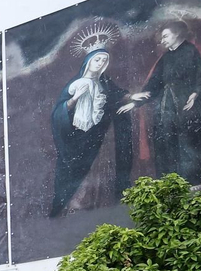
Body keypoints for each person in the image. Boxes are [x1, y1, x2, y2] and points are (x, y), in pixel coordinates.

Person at [128, 20, 201, 181]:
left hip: (188, 105)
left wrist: (195, 94)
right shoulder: (166, 58)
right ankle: (170, 182)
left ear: (177, 34)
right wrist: (135, 102)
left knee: (189, 144)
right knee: (166, 144)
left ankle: (193, 180)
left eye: (165, 36)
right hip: (168, 109)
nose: (162, 40)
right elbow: (154, 83)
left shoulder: (191, 51)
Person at [49, 46, 137, 217]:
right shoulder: (76, 83)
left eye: (104, 61)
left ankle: (101, 202)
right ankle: (73, 204)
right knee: (79, 169)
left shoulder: (104, 82)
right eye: (97, 59)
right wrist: (75, 99)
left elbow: (117, 95)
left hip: (101, 136)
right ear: (88, 62)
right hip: (79, 139)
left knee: (102, 166)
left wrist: (132, 97)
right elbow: (58, 113)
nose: (100, 63)